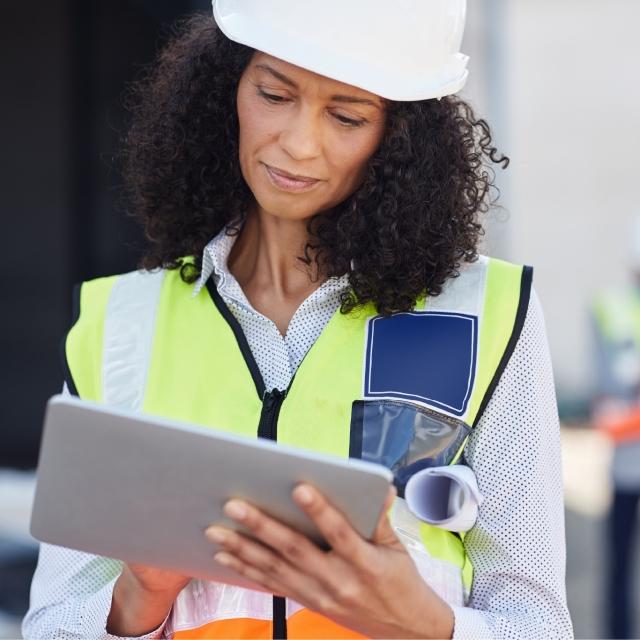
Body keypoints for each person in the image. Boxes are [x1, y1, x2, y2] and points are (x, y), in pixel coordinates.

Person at [23, 1, 573, 638]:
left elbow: (538, 625)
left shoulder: (488, 314)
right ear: (226, 85)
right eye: (274, 93)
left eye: (346, 116)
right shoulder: (120, 326)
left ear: (400, 135)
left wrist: (421, 622)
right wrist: (137, 600)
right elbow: (52, 626)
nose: (297, 142)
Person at [591, 217, 640, 639]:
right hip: (627, 462)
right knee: (619, 566)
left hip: (628, 453)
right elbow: (605, 404)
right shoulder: (610, 307)